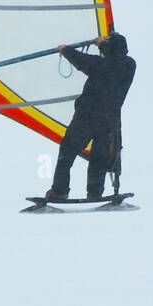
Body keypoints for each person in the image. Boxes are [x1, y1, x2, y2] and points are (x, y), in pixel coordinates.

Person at [45, 32, 135, 201]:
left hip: (86, 118)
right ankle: (95, 193)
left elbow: (82, 60)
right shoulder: (130, 66)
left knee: (67, 154)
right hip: (109, 121)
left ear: (110, 47)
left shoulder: (100, 65)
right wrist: (103, 44)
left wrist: (65, 50)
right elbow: (110, 59)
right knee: (99, 159)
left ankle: (59, 191)